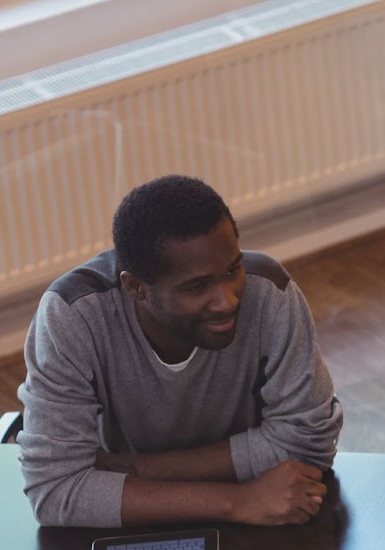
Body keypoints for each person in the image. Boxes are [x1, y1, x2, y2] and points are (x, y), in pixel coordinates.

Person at [18, 174, 342, 528]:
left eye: (233, 269)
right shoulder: (73, 315)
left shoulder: (271, 292)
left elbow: (309, 440)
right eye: (197, 286)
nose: (227, 300)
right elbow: (56, 491)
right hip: (166, 515)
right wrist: (237, 501)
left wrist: (140, 469)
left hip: (150, 495)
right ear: (136, 287)